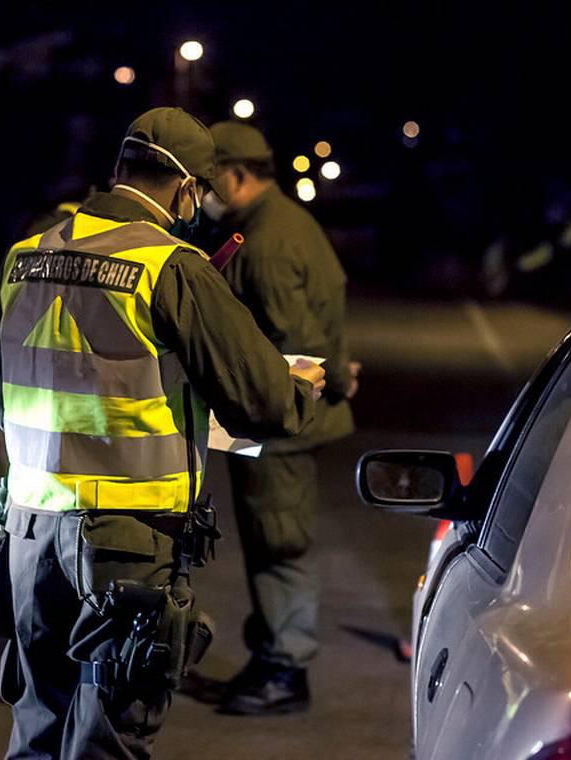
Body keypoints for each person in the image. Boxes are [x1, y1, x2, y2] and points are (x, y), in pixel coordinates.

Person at [0, 106, 325, 760]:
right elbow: (263, 402)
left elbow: (8, 404)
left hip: (30, 531)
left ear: (118, 168)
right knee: (110, 737)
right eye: (196, 194)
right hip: (126, 542)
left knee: (38, 727)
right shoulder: (171, 266)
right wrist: (302, 386)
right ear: (183, 186)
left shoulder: (26, 255)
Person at [203, 120, 358, 715]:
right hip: (274, 423)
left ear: (237, 174)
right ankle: (272, 653)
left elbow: (298, 343)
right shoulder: (277, 225)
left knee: (279, 543)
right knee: (271, 540)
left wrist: (334, 378)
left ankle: (285, 668)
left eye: (210, 180)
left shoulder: (267, 241)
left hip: (280, 427)